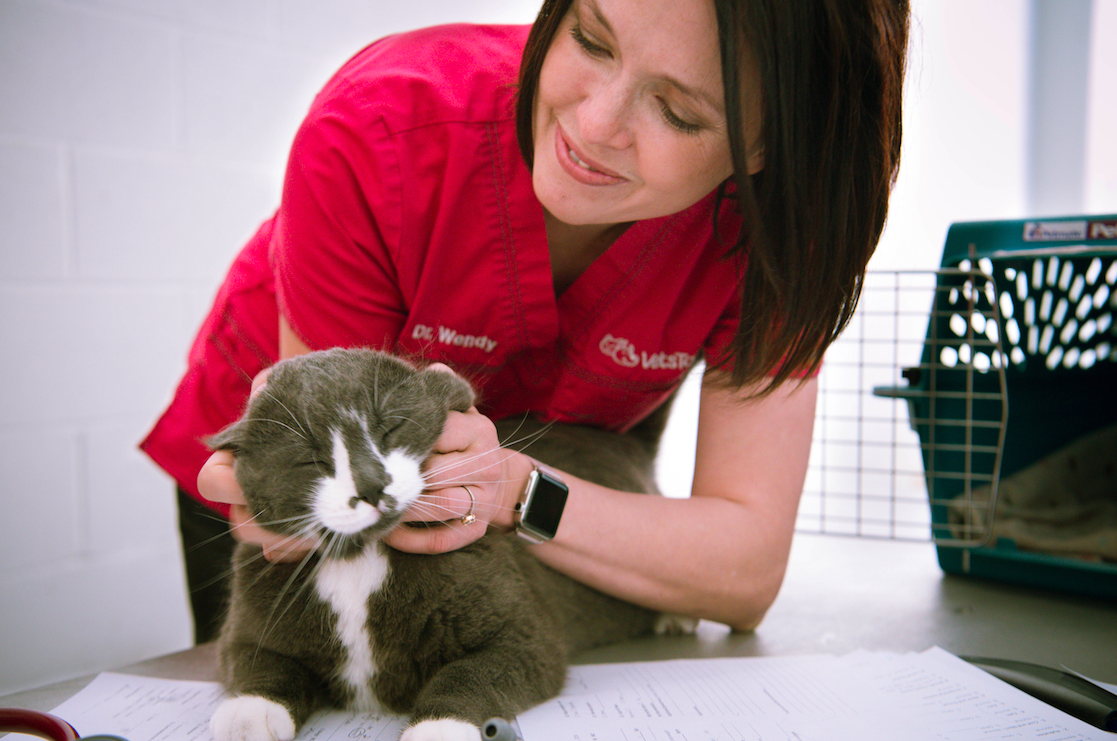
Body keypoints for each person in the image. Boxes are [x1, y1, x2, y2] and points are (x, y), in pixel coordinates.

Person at [142, 0, 910, 643]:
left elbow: (743, 573)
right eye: (589, 38)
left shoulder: (779, 234)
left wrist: (514, 488)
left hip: (521, 491)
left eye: (677, 112)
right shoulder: (378, 126)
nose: (594, 122)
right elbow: (322, 494)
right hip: (280, 476)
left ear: (770, 146)